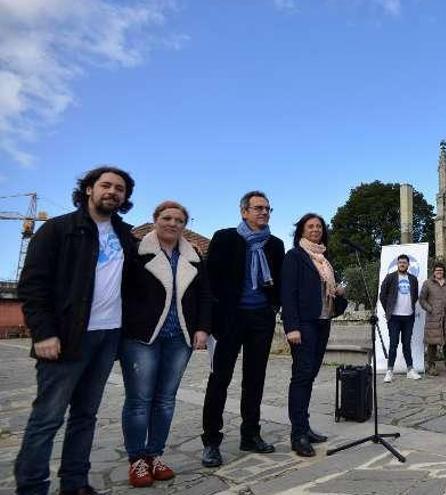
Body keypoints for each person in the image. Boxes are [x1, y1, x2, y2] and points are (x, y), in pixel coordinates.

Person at [15, 166, 137, 495]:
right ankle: (31, 487)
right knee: (47, 419)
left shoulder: (125, 236)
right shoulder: (57, 230)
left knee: (86, 416)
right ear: (88, 189)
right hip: (67, 337)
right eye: (106, 185)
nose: (113, 192)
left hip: (108, 336)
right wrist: (43, 332)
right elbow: (32, 286)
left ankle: (75, 483)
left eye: (120, 189)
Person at [121, 201, 212, 486]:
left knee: (166, 401)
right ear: (155, 219)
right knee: (139, 400)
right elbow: (121, 292)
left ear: (185, 224)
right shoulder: (136, 253)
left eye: (179, 220)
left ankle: (154, 454)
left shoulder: (194, 256)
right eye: (167, 218)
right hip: (141, 337)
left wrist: (202, 329)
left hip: (179, 337)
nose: (172, 223)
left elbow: (205, 296)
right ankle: (137, 460)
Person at [201, 191, 285, 467]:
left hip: (260, 319)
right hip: (230, 319)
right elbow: (209, 280)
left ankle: (250, 434)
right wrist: (210, 321)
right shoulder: (225, 237)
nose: (264, 212)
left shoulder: (275, 244)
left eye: (268, 209)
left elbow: (279, 283)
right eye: (258, 208)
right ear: (244, 212)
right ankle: (211, 441)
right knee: (220, 379)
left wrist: (272, 308)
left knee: (255, 379)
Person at [282, 213, 348, 457]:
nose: (315, 229)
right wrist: (292, 327)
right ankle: (297, 434)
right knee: (301, 377)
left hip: (322, 322)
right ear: (301, 230)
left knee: (309, 376)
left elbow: (327, 294)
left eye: (319, 226)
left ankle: (305, 427)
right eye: (310, 226)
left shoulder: (324, 259)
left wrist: (339, 292)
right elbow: (287, 294)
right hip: (304, 324)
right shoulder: (295, 257)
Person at [380, 254, 421, 382]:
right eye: (400, 262)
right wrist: (388, 310)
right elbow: (383, 295)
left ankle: (410, 370)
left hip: (408, 317)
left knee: (407, 344)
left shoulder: (413, 279)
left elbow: (414, 297)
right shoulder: (390, 277)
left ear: (408, 265)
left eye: (404, 262)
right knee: (393, 344)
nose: (402, 264)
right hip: (394, 317)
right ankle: (389, 371)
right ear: (397, 264)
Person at [419, 263, 446, 376]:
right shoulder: (428, 283)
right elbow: (422, 299)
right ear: (434, 272)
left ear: (444, 271)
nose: (439, 272)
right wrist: (429, 309)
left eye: (441, 270)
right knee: (432, 343)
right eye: (437, 270)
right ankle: (431, 366)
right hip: (433, 318)